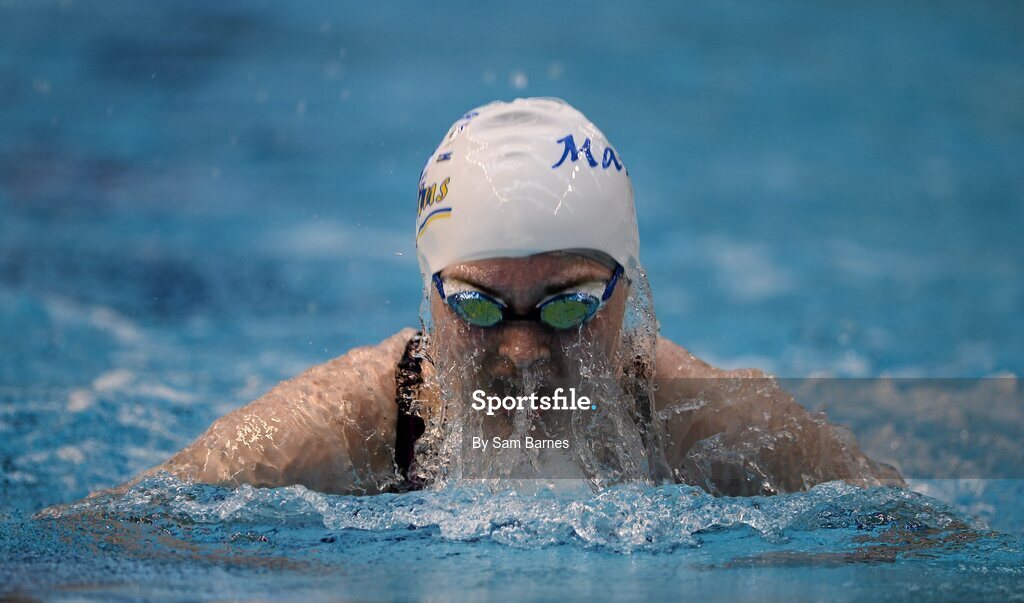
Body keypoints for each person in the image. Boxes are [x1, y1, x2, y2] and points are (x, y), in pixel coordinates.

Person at [111, 98, 903, 497]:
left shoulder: (713, 425)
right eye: (479, 307)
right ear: (430, 293)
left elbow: (916, 542)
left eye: (568, 305)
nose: (524, 352)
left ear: (631, 291)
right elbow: (103, 553)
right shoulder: (340, 429)